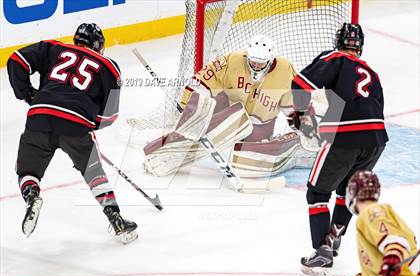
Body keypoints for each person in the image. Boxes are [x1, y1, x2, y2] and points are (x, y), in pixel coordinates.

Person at [7, 23, 138, 244]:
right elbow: (109, 115)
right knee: (94, 174)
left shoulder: (53, 49)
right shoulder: (109, 67)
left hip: (40, 116)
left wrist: (29, 95)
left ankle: (31, 196)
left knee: (27, 171)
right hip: (75, 126)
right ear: (98, 45)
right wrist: (89, 124)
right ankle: (115, 219)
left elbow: (16, 60)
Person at [143, 34, 317, 178]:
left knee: (244, 159)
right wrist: (190, 106)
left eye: (261, 63)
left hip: (260, 124)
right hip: (228, 112)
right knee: (209, 118)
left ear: (270, 60)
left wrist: (302, 126)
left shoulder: (285, 70)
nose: (256, 66)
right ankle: (167, 147)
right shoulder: (232, 60)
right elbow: (204, 77)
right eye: (253, 61)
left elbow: (293, 103)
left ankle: (286, 149)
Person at [291, 23, 389, 276]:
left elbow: (299, 83)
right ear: (360, 46)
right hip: (376, 140)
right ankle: (332, 240)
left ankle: (322, 254)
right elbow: (374, 108)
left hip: (346, 137)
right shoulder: (372, 73)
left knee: (317, 192)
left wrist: (301, 115)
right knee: (345, 191)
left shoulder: (334, 58)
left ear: (339, 41)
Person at [338, 170, 419, 276]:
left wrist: (393, 257)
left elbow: (395, 242)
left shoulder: (372, 212)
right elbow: (382, 268)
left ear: (352, 193)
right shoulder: (375, 216)